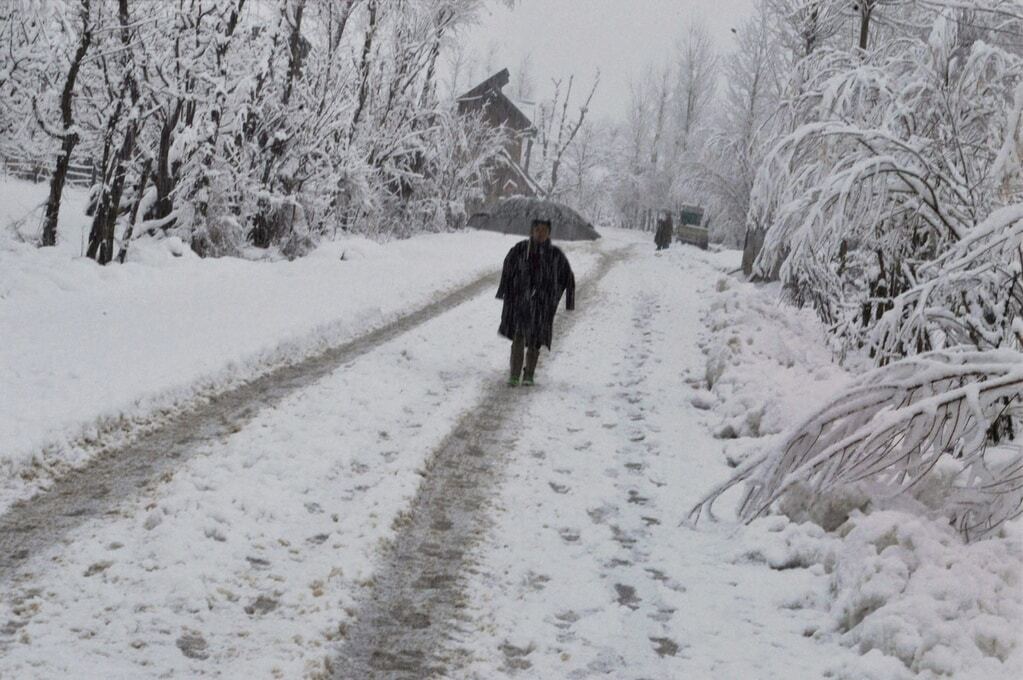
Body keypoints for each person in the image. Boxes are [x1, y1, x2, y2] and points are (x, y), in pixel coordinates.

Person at [496, 219, 575, 386]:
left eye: (544, 230)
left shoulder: (554, 254)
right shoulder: (520, 249)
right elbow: (507, 268)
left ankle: (529, 374)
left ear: (549, 233)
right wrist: (505, 290)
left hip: (542, 304)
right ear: (532, 231)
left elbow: (568, 277)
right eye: (537, 229)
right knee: (518, 335)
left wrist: (568, 301)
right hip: (521, 301)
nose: (540, 233)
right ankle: (514, 374)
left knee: (535, 339)